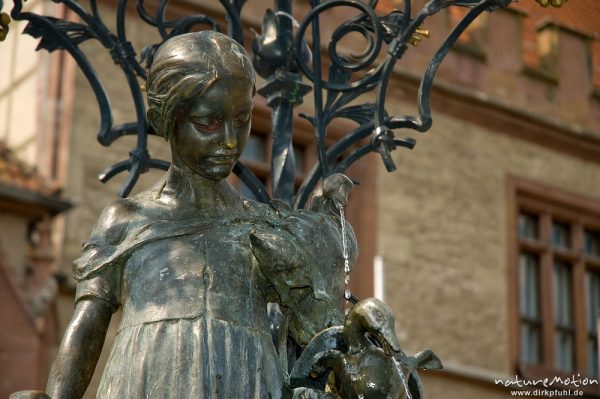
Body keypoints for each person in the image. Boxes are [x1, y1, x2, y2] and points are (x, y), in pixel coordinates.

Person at [39, 31, 356, 399]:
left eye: (241, 121)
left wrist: (315, 258)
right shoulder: (127, 220)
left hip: (245, 379)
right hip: (148, 378)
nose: (229, 141)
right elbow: (86, 327)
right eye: (207, 123)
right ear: (166, 119)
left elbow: (315, 329)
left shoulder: (264, 226)